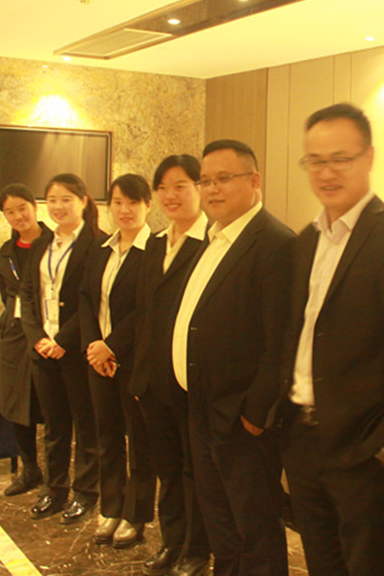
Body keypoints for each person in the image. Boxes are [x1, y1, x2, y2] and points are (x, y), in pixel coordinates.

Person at [278, 103, 384, 575]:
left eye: (340, 159)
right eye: (315, 161)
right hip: (304, 443)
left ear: (368, 157)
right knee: (323, 564)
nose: (326, 172)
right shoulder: (304, 242)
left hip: (366, 453)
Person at [172, 140, 294, 576]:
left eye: (223, 179)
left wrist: (255, 413)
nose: (212, 189)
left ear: (254, 181)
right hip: (204, 408)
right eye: (205, 181)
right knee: (221, 525)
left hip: (241, 419)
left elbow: (282, 341)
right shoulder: (215, 238)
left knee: (255, 528)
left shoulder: (276, 243)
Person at [131, 154, 212, 576]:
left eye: (180, 186)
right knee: (166, 468)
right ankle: (172, 541)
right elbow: (145, 314)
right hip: (153, 381)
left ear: (199, 188)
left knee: (193, 470)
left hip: (188, 380)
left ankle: (196, 550)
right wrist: (140, 375)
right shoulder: (155, 243)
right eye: (162, 188)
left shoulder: (211, 244)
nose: (170, 195)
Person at [79, 174, 157, 547]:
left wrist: (111, 347)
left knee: (140, 441)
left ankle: (135, 514)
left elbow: (147, 310)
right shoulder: (101, 248)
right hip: (99, 360)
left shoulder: (155, 250)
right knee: (107, 435)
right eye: (117, 202)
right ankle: (110, 507)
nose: (124, 210)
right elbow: (85, 299)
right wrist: (93, 346)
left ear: (148, 205)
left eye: (133, 202)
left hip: (134, 361)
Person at [20, 173, 103, 524]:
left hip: (76, 350)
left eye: (66, 199)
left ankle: (86, 491)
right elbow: (27, 294)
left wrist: (62, 341)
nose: (58, 207)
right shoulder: (42, 243)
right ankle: (54, 489)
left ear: (83, 201)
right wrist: (37, 337)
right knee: (54, 427)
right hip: (43, 350)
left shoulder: (97, 244)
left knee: (86, 425)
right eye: (52, 200)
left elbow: (92, 302)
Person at [0, 183, 48, 496]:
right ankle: (30, 469)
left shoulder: (55, 243)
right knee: (17, 404)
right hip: (15, 336)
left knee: (51, 405)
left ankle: (56, 477)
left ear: (35, 207)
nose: (18, 216)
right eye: (10, 212)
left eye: (22, 208)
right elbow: (6, 293)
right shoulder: (6, 252)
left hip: (47, 334)